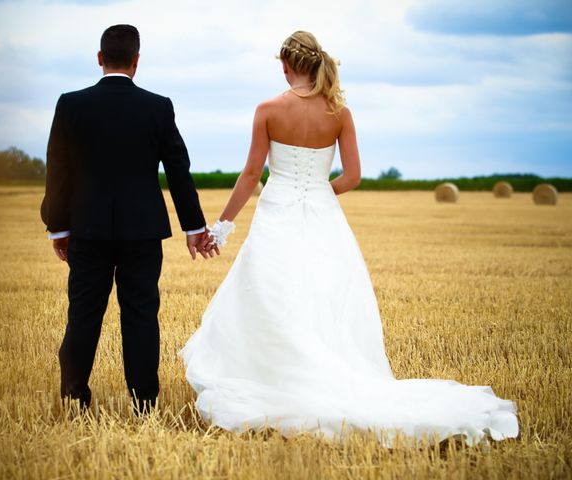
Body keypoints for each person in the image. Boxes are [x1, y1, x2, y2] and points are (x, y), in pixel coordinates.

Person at [181, 31, 519, 446]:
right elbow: (353, 176)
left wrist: (222, 227)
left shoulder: (268, 109)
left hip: (278, 213)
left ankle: (279, 377)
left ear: (287, 65)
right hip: (323, 217)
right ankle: (327, 373)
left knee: (273, 294)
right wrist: (320, 192)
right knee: (324, 296)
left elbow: (252, 176)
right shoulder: (340, 112)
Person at [41, 24, 216, 415]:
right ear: (137, 61)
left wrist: (59, 227)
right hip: (142, 231)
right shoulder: (157, 106)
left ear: (100, 59)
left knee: (83, 313)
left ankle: (74, 397)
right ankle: (144, 403)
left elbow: (58, 171)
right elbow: (178, 170)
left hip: (87, 229)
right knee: (140, 314)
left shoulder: (71, 104)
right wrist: (193, 228)